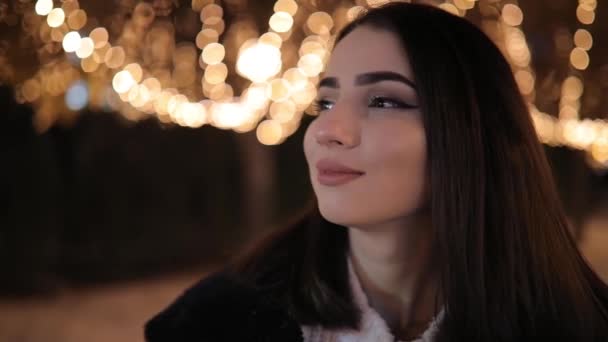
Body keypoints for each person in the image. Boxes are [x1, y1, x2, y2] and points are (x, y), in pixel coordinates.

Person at [144, 2, 608, 341]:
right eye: (325, 102)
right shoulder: (215, 325)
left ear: (474, 135)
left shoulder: (578, 322)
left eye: (384, 101)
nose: (328, 129)